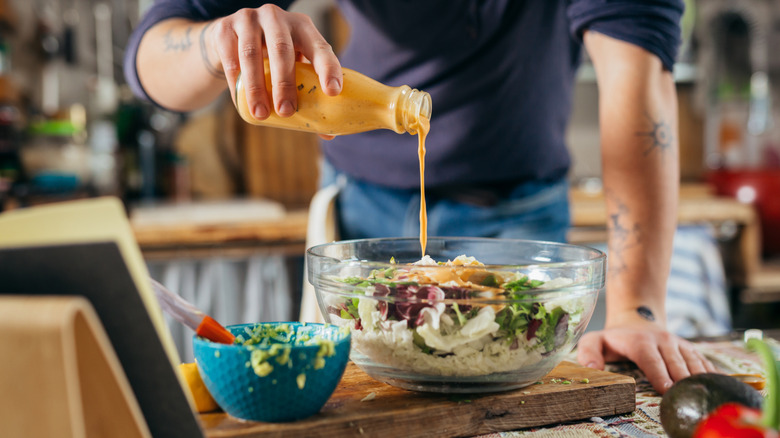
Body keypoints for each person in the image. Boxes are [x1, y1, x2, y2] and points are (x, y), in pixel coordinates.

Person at [125, 0, 718, 394]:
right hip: (358, 221)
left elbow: (635, 75)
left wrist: (638, 306)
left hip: (521, 219)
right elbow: (154, 59)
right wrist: (215, 43)